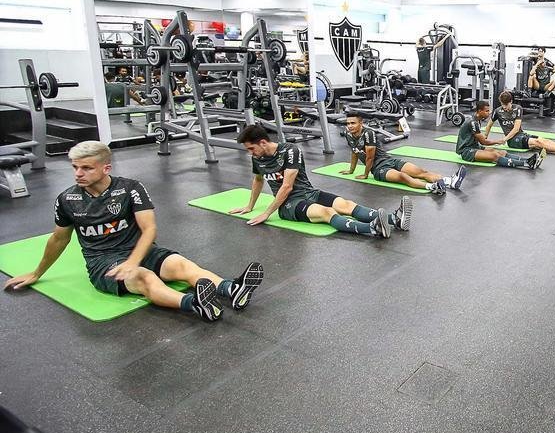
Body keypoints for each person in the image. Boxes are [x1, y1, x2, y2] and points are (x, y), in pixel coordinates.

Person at [2, 141, 262, 322]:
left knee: (182, 265)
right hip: (104, 262)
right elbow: (59, 238)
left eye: (86, 168)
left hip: (140, 250)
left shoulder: (130, 188)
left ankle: (231, 289)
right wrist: (37, 273)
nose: (78, 174)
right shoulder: (67, 199)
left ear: (106, 168)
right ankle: (195, 304)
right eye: (75, 167)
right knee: (145, 278)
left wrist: (133, 260)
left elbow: (149, 229)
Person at [233, 124, 408, 238]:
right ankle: (372, 228)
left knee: (346, 204)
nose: (250, 153)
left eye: (251, 148)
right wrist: (250, 206)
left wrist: (266, 213)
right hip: (289, 205)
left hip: (309, 192)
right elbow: (258, 180)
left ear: (263, 143)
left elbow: (287, 186)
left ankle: (394, 219)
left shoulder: (290, 151)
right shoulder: (257, 158)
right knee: (326, 212)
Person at [342, 111, 466, 194]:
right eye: (348, 123)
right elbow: (355, 152)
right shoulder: (348, 135)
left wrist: (365, 174)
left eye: (353, 123)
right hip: (379, 169)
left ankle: (450, 182)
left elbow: (369, 158)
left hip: (389, 160)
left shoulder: (368, 133)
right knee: (403, 177)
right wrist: (351, 170)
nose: (350, 126)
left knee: (421, 172)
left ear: (361, 123)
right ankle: (432, 187)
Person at [484, 91, 555, 157]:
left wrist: (503, 140)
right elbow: (489, 125)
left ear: (511, 101)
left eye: (506, 104)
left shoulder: (518, 108)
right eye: (503, 104)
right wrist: (484, 140)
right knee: (538, 142)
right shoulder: (497, 111)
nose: (505, 107)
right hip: (512, 141)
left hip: (520, 134)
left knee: (543, 140)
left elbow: (516, 129)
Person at [455, 100, 544, 169]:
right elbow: (483, 142)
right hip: (466, 151)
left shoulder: (477, 119)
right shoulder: (472, 122)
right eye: (486, 111)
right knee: (494, 156)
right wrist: (499, 141)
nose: (489, 112)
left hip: (474, 146)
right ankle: (527, 163)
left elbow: (480, 140)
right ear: (479, 111)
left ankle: (529, 160)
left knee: (502, 152)